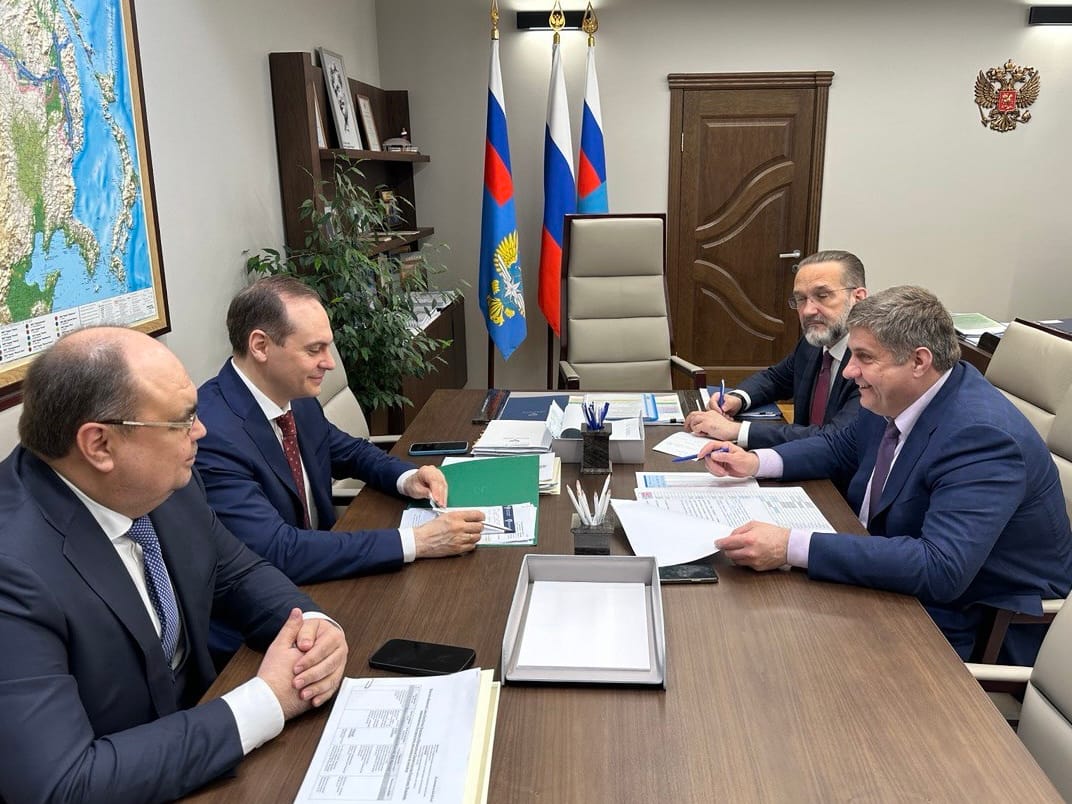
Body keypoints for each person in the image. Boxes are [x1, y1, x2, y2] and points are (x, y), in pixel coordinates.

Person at [0, 327, 348, 803]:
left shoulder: (164, 483)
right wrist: (268, 699)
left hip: (206, 747)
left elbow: (238, 572)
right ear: (99, 445)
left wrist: (311, 627)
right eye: (183, 420)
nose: (200, 431)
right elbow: (64, 785)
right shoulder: (12, 569)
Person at [699, 286, 1072, 665]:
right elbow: (840, 447)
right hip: (893, 575)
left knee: (774, 657)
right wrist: (755, 462)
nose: (849, 372)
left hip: (970, 621)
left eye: (864, 357)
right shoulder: (899, 393)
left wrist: (789, 546)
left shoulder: (981, 436)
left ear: (919, 361)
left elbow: (941, 568)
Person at [196, 276, 484, 590]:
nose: (330, 363)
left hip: (328, 569)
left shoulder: (294, 396)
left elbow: (349, 452)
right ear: (261, 346)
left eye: (328, 347)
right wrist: (418, 541)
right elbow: (278, 550)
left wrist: (407, 478)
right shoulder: (211, 434)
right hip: (277, 598)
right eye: (314, 350)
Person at [684, 250, 867, 449]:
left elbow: (836, 438)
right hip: (799, 459)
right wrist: (737, 399)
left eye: (822, 296)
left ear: (858, 298)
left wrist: (738, 430)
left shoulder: (871, 361)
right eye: (800, 299)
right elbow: (776, 379)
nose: (807, 311)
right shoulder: (812, 343)